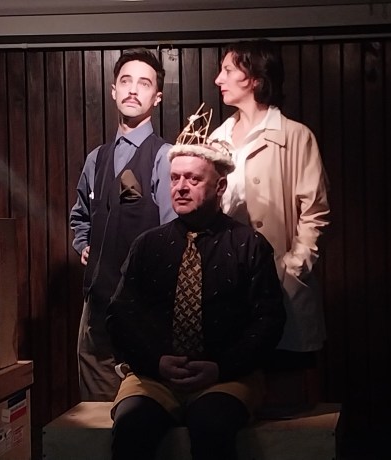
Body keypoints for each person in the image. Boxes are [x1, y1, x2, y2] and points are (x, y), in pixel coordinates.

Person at [105, 112, 286, 460]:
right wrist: (156, 361)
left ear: (220, 187)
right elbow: (120, 315)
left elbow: (269, 320)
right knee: (131, 427)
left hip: (226, 377)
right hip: (154, 376)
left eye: (193, 178)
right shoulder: (148, 245)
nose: (181, 187)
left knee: (212, 426)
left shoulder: (248, 244)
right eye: (175, 178)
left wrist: (222, 366)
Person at [208, 40, 331, 380]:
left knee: (286, 386)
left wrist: (294, 267)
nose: (218, 79)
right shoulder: (216, 139)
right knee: (233, 385)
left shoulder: (295, 136)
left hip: (280, 281)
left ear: (255, 78)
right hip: (229, 284)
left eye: (228, 70)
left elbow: (315, 211)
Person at [69, 48, 178, 401]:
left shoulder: (165, 156)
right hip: (97, 305)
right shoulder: (96, 158)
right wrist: (84, 244)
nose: (133, 89)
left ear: (157, 97)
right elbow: (80, 215)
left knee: (143, 407)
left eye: (144, 83)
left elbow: (174, 233)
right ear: (114, 90)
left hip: (146, 306)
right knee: (95, 410)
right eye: (126, 81)